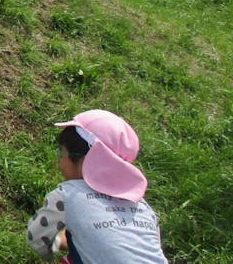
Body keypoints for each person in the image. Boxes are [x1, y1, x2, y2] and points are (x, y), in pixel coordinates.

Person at [27, 109, 168, 263]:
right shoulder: (143, 207)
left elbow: (37, 239)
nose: (59, 163)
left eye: (62, 154)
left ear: (82, 160)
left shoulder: (67, 195)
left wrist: (56, 243)